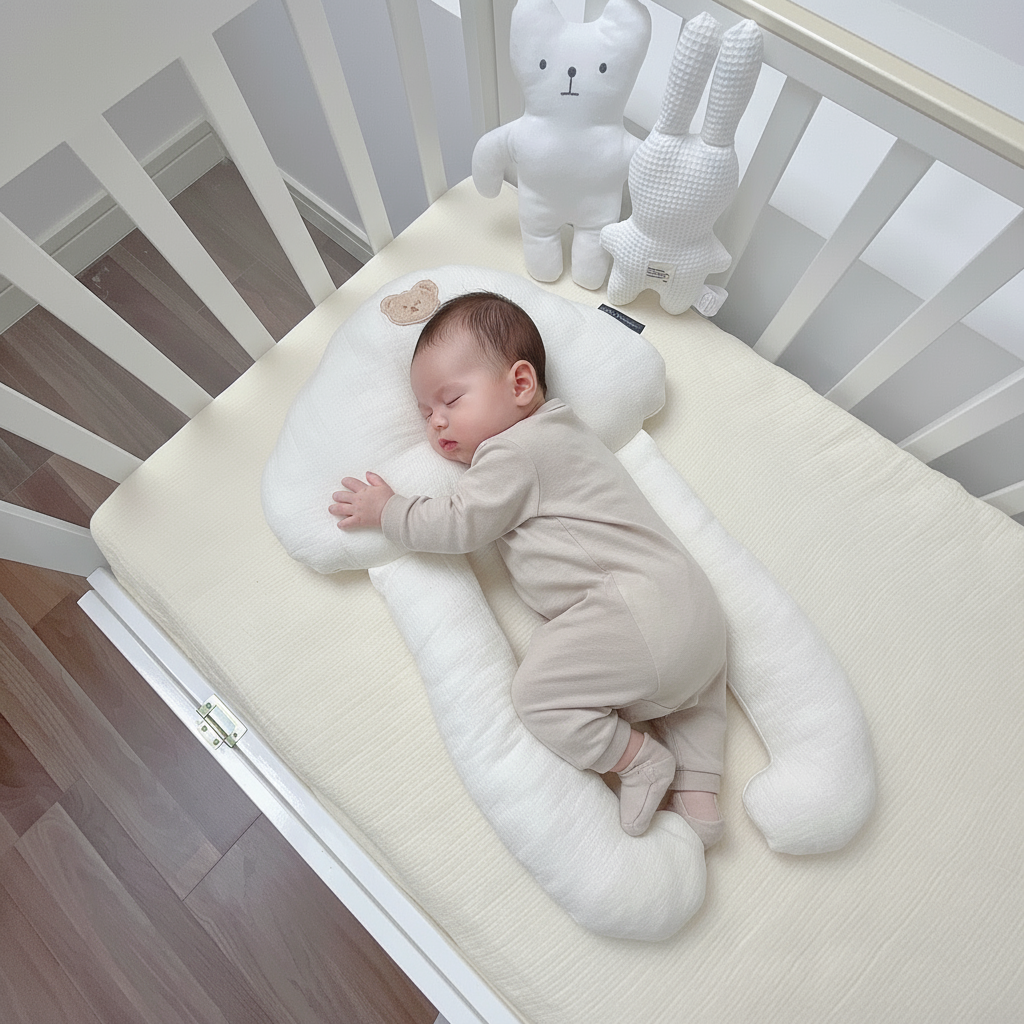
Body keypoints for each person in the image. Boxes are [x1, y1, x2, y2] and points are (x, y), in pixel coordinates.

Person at [328, 292, 727, 846]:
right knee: (692, 693)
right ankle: (702, 793)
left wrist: (388, 510)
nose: (437, 423)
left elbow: (460, 523)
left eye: (451, 400)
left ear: (520, 385)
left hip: (629, 608)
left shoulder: (513, 452)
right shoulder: (571, 435)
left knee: (538, 695)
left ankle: (636, 760)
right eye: (426, 414)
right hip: (696, 610)